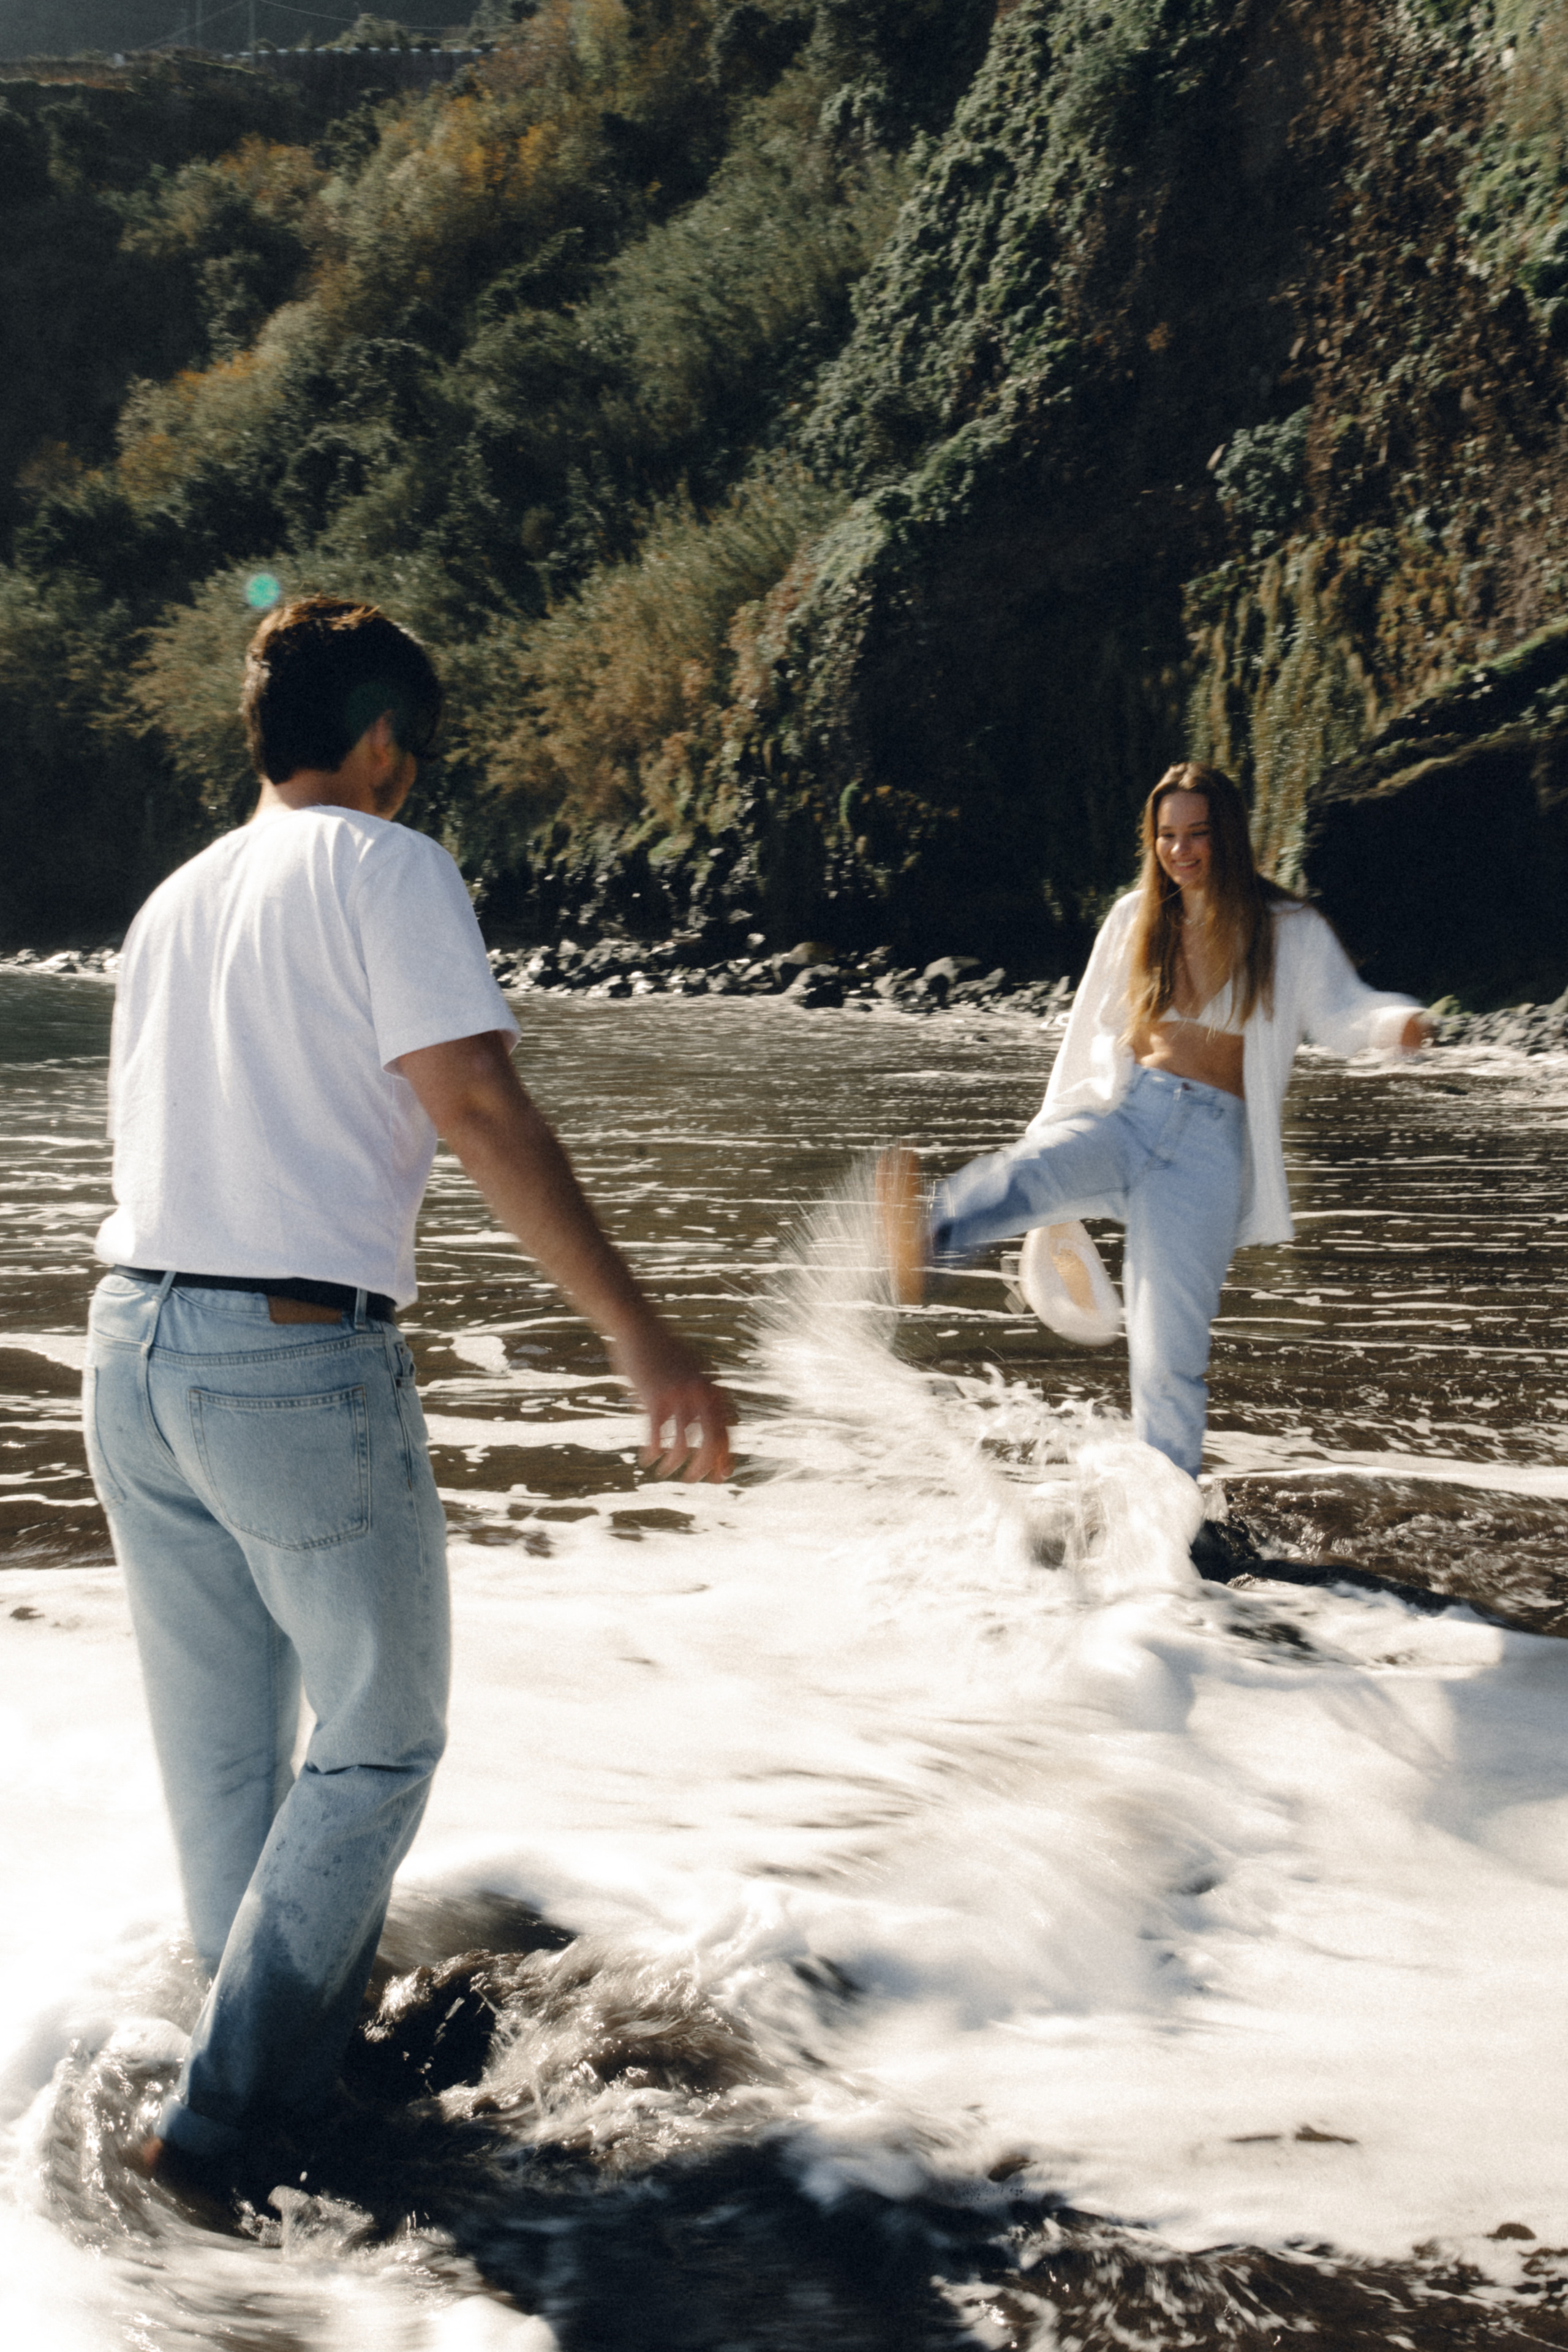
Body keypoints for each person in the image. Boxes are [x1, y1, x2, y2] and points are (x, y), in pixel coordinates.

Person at [82, 594, 732, 2195]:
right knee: (378, 1737)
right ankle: (235, 2117)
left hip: (134, 1348)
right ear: (377, 743)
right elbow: (478, 1107)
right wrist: (642, 1337)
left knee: (229, 1760)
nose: (414, 783)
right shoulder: (387, 867)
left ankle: (287, 2057)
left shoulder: (176, 899)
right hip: (293, 1359)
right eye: (414, 757)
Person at [878, 761, 1429, 1488]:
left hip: (1206, 1151)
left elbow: (1340, 1007)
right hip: (1123, 1114)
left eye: (1197, 834)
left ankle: (1171, 1527)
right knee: (1024, 1175)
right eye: (1167, 836)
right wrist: (1053, 1120)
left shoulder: (1285, 928)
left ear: (1227, 836)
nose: (1181, 851)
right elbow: (1083, 1034)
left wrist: (1396, 1025)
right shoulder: (1132, 918)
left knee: (1167, 1353)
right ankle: (926, 1248)